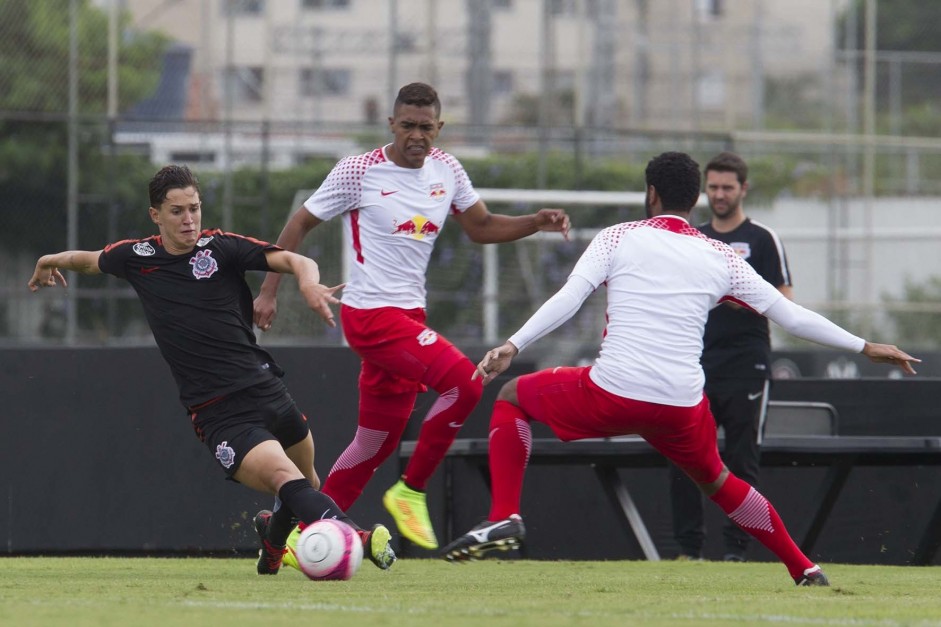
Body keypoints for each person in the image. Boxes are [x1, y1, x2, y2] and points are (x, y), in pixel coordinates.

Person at [441, 151, 918, 586]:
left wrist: (513, 343)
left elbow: (570, 298)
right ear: (696, 199)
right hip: (681, 405)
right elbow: (791, 315)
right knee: (721, 483)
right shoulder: (720, 256)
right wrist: (865, 345)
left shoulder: (618, 237)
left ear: (651, 194)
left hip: (615, 391)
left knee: (510, 398)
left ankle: (504, 515)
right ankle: (804, 566)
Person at [27, 164, 396, 575]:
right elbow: (89, 260)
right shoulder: (137, 257)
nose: (189, 220)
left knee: (307, 481)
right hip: (220, 411)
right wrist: (50, 259)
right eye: (177, 211)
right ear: (155, 215)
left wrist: (308, 283)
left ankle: (273, 545)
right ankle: (353, 535)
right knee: (283, 477)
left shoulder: (221, 249)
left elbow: (296, 258)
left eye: (195, 209)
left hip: (266, 388)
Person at [253, 81, 570, 556]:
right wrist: (269, 290)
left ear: (439, 128)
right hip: (370, 316)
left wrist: (533, 223)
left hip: (409, 318)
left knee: (375, 441)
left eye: (426, 127)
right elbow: (299, 223)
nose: (416, 136)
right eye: (407, 126)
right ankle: (411, 491)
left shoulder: (448, 170)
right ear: (391, 125)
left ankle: (292, 532)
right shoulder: (359, 170)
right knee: (465, 383)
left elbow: (480, 226)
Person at [669, 151, 792, 562]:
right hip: (693, 362)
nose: (719, 195)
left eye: (727, 187)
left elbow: (784, 301)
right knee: (686, 454)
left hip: (747, 363)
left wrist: (742, 297)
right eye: (714, 186)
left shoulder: (762, 239)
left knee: (741, 459)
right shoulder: (693, 238)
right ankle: (688, 550)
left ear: (744, 189)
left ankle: (736, 550)